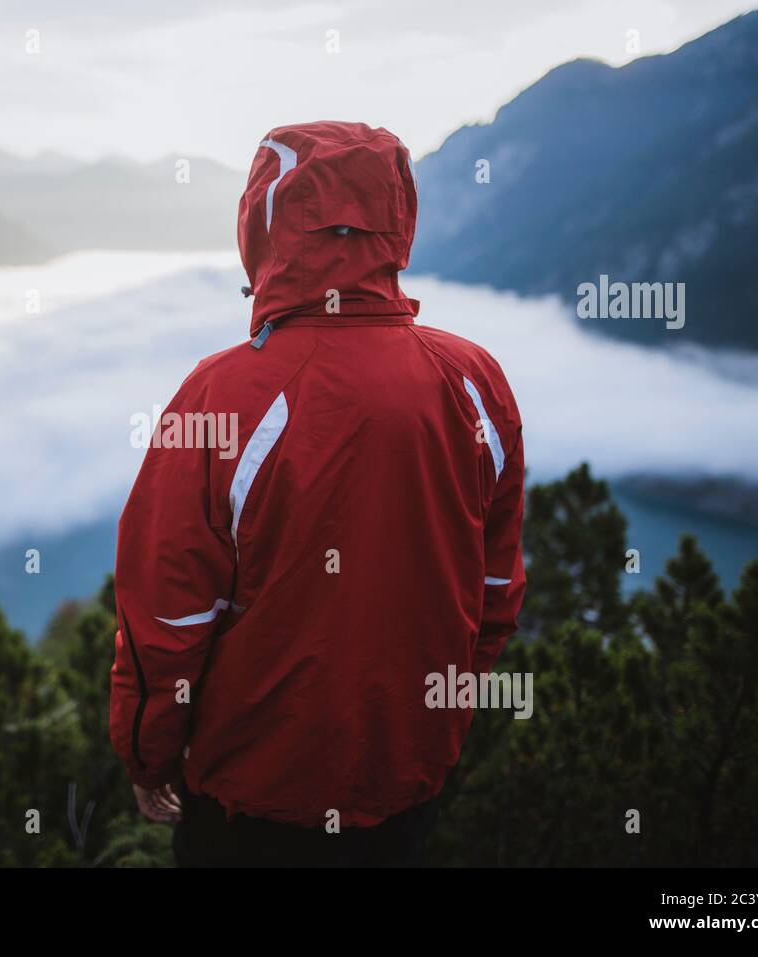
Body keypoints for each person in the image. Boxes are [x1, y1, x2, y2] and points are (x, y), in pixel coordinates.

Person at [109, 121, 526, 867]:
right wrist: (440, 721)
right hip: (407, 784)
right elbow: (493, 590)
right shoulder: (476, 383)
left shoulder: (216, 397)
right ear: (398, 220)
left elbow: (166, 617)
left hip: (250, 799)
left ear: (263, 223)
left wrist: (148, 757)